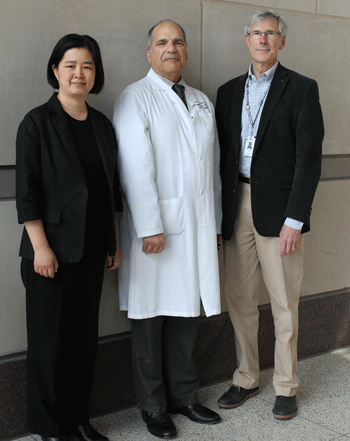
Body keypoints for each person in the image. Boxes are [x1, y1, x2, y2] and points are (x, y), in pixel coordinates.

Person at [113, 20, 222, 439]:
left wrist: (213, 223)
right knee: (150, 318)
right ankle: (153, 407)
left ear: (187, 52)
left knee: (185, 316)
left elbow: (210, 167)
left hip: (196, 229)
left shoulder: (200, 100)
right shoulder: (135, 98)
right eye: (162, 42)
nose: (171, 48)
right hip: (156, 233)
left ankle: (185, 396)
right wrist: (150, 226)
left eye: (178, 41)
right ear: (149, 54)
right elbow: (135, 168)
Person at [215, 9, 324, 420]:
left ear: (282, 42)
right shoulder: (227, 93)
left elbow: (309, 161)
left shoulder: (301, 89)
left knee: (284, 303)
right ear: (246, 40)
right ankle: (246, 377)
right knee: (240, 299)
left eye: (271, 33)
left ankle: (286, 385)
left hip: (279, 213)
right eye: (256, 33)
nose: (263, 39)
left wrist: (295, 217)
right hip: (236, 204)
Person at [16, 34, 122, 441]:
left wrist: (112, 243)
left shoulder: (102, 125)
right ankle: (49, 427)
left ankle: (78, 418)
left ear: (96, 74)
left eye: (88, 66)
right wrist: (40, 247)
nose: (80, 73)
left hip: (93, 250)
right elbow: (27, 193)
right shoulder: (37, 122)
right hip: (50, 253)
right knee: (48, 346)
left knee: (83, 342)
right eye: (71, 65)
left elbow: (110, 190)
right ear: (56, 70)